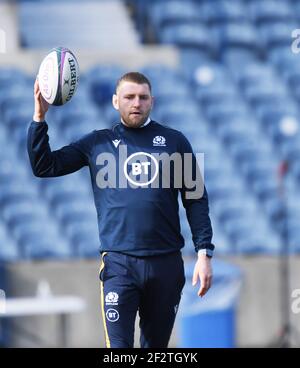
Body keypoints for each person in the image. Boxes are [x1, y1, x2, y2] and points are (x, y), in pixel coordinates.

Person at [28, 72, 214, 348]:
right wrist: (39, 117)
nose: (136, 103)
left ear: (152, 101)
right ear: (116, 101)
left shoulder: (175, 142)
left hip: (166, 264)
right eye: (129, 97)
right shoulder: (97, 143)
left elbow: (195, 199)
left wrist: (204, 253)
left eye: (142, 97)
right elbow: (44, 167)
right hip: (119, 264)